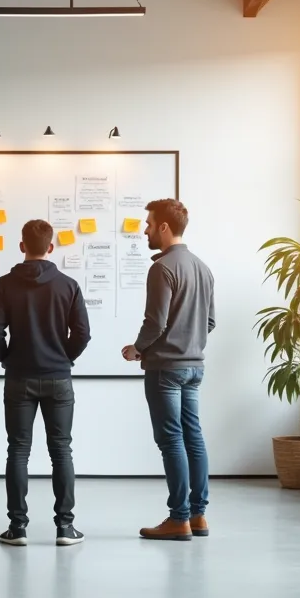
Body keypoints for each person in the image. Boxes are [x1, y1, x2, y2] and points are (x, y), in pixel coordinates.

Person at [0, 219, 91, 547]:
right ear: (51, 248)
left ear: (21, 246)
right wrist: (65, 357)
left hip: (19, 377)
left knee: (18, 450)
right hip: (59, 377)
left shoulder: (5, 284)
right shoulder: (68, 285)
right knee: (61, 450)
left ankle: (17, 528)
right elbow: (83, 333)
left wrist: (7, 358)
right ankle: (65, 528)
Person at [122, 198, 215, 541]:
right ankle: (198, 515)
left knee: (171, 440)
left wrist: (137, 349)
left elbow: (155, 322)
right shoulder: (202, 268)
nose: (145, 230)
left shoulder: (161, 268)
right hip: (194, 367)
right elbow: (210, 321)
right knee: (193, 437)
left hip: (165, 369)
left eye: (148, 224)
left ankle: (178, 519)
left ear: (163, 226)